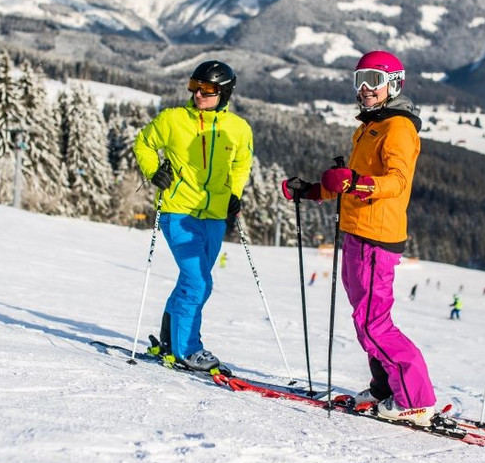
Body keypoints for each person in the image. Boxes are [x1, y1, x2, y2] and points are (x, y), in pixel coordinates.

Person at [282, 50, 439, 426]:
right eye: (360, 80)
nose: (366, 87)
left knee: (373, 322)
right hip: (357, 232)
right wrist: (314, 190)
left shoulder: (398, 127)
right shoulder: (372, 125)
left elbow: (396, 181)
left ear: (394, 84)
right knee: (364, 318)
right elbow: (349, 181)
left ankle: (416, 399)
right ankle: (385, 386)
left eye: (374, 80)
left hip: (377, 236)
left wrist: (357, 182)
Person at [133, 60, 253, 371]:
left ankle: (169, 341)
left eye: (207, 89)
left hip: (214, 216)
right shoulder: (172, 119)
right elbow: (143, 143)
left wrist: (234, 194)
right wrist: (154, 171)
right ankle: (188, 349)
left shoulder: (238, 128)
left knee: (196, 281)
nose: (198, 94)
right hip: (178, 211)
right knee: (197, 281)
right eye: (194, 86)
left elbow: (241, 165)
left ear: (224, 92)